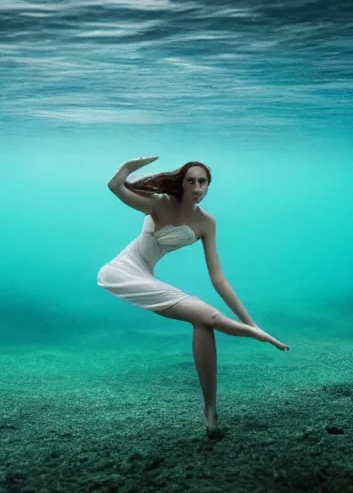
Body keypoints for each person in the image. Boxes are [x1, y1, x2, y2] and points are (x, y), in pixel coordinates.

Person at [97, 156, 288, 436]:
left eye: (203, 182)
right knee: (206, 314)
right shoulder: (161, 203)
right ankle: (256, 335)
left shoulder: (206, 223)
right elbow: (115, 187)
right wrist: (128, 167)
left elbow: (218, 279)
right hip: (123, 270)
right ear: (182, 184)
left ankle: (210, 411)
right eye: (191, 181)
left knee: (203, 321)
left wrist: (250, 319)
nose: (197, 187)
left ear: (208, 186)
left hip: (146, 274)